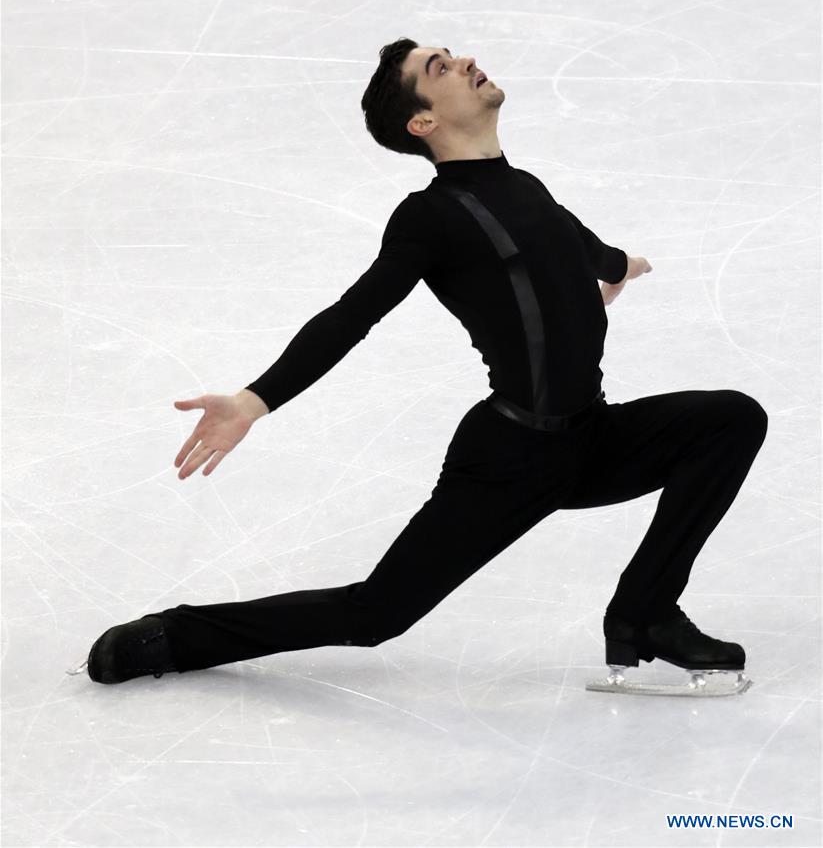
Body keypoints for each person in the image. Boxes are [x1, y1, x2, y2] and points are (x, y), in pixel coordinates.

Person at [78, 39, 767, 695]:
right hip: (510, 457)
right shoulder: (429, 217)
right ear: (422, 120)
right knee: (374, 615)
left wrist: (620, 267)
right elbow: (353, 314)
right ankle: (177, 635)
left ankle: (644, 611)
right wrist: (256, 400)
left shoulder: (524, 185)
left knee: (729, 419)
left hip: (591, 437)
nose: (465, 59)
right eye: (440, 65)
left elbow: (581, 246)